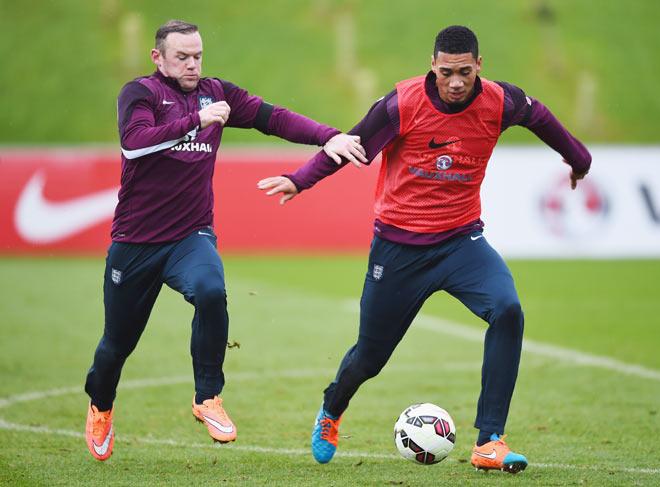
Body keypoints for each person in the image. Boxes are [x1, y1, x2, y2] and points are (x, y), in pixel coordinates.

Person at [258, 25, 591, 474]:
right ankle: (331, 409)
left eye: (465, 72)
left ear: (479, 66)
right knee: (370, 358)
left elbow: (542, 116)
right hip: (397, 249)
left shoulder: (500, 100)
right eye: (447, 72)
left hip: (461, 242)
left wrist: (579, 159)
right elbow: (350, 145)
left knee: (507, 309)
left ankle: (489, 440)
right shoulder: (402, 103)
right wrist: (301, 179)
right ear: (433, 66)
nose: (456, 82)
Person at [84, 19, 366, 461]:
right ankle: (101, 405)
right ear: (158, 57)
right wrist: (195, 119)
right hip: (135, 242)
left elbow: (275, 118)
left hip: (189, 236)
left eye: (197, 55)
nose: (193, 63)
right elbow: (134, 144)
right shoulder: (140, 94)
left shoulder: (217, 92)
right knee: (117, 344)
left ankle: (207, 396)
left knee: (212, 290)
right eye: (182, 56)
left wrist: (329, 137)